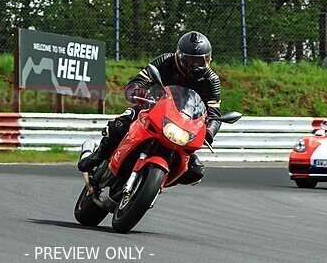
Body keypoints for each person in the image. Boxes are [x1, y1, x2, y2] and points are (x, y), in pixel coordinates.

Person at [78, 31, 222, 185]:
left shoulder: (211, 80)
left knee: (195, 171)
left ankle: (156, 182)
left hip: (183, 124)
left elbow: (214, 113)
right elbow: (138, 81)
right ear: (180, 56)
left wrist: (209, 132)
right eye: (190, 61)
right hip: (152, 107)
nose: (195, 65)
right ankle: (97, 157)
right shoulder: (166, 61)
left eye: (200, 61)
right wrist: (138, 92)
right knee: (118, 125)